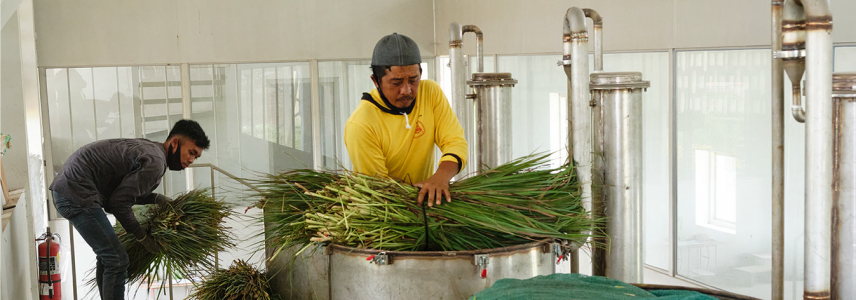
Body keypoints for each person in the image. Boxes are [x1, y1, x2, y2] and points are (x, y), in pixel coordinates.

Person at [49, 119, 209, 300]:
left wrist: (156, 198)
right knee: (116, 260)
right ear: (174, 143)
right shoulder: (156, 162)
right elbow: (118, 203)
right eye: (191, 152)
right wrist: (141, 236)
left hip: (70, 190)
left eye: (196, 157)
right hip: (76, 193)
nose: (191, 160)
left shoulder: (153, 150)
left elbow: (119, 195)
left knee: (109, 258)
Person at [344, 33, 468, 207]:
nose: (407, 90)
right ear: (376, 81)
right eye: (396, 82)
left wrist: (441, 177)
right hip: (388, 211)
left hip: (425, 202)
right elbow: (380, 191)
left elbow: (455, 141)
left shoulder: (430, 93)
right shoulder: (361, 125)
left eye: (413, 80)